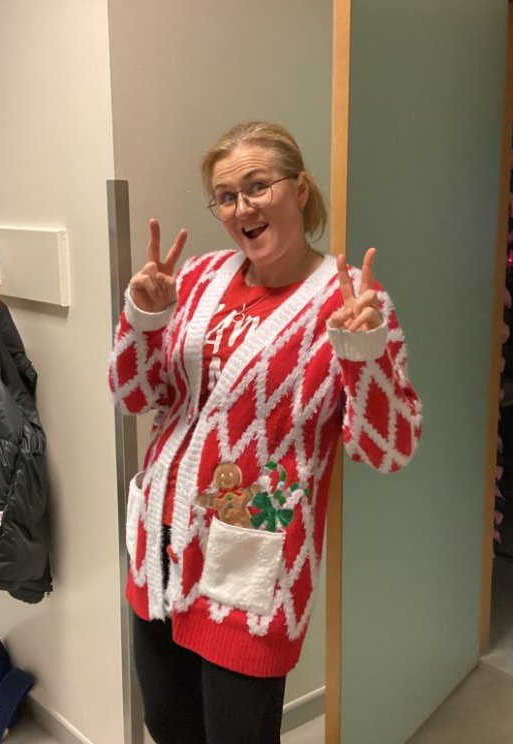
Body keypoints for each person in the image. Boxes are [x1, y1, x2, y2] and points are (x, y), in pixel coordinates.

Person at [108, 121, 423, 744]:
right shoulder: (198, 278)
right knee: (167, 726)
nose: (242, 208)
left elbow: (388, 449)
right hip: (160, 543)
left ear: (299, 189)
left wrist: (364, 355)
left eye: (257, 186)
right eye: (226, 197)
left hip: (251, 561)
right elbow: (136, 396)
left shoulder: (350, 300)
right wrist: (144, 319)